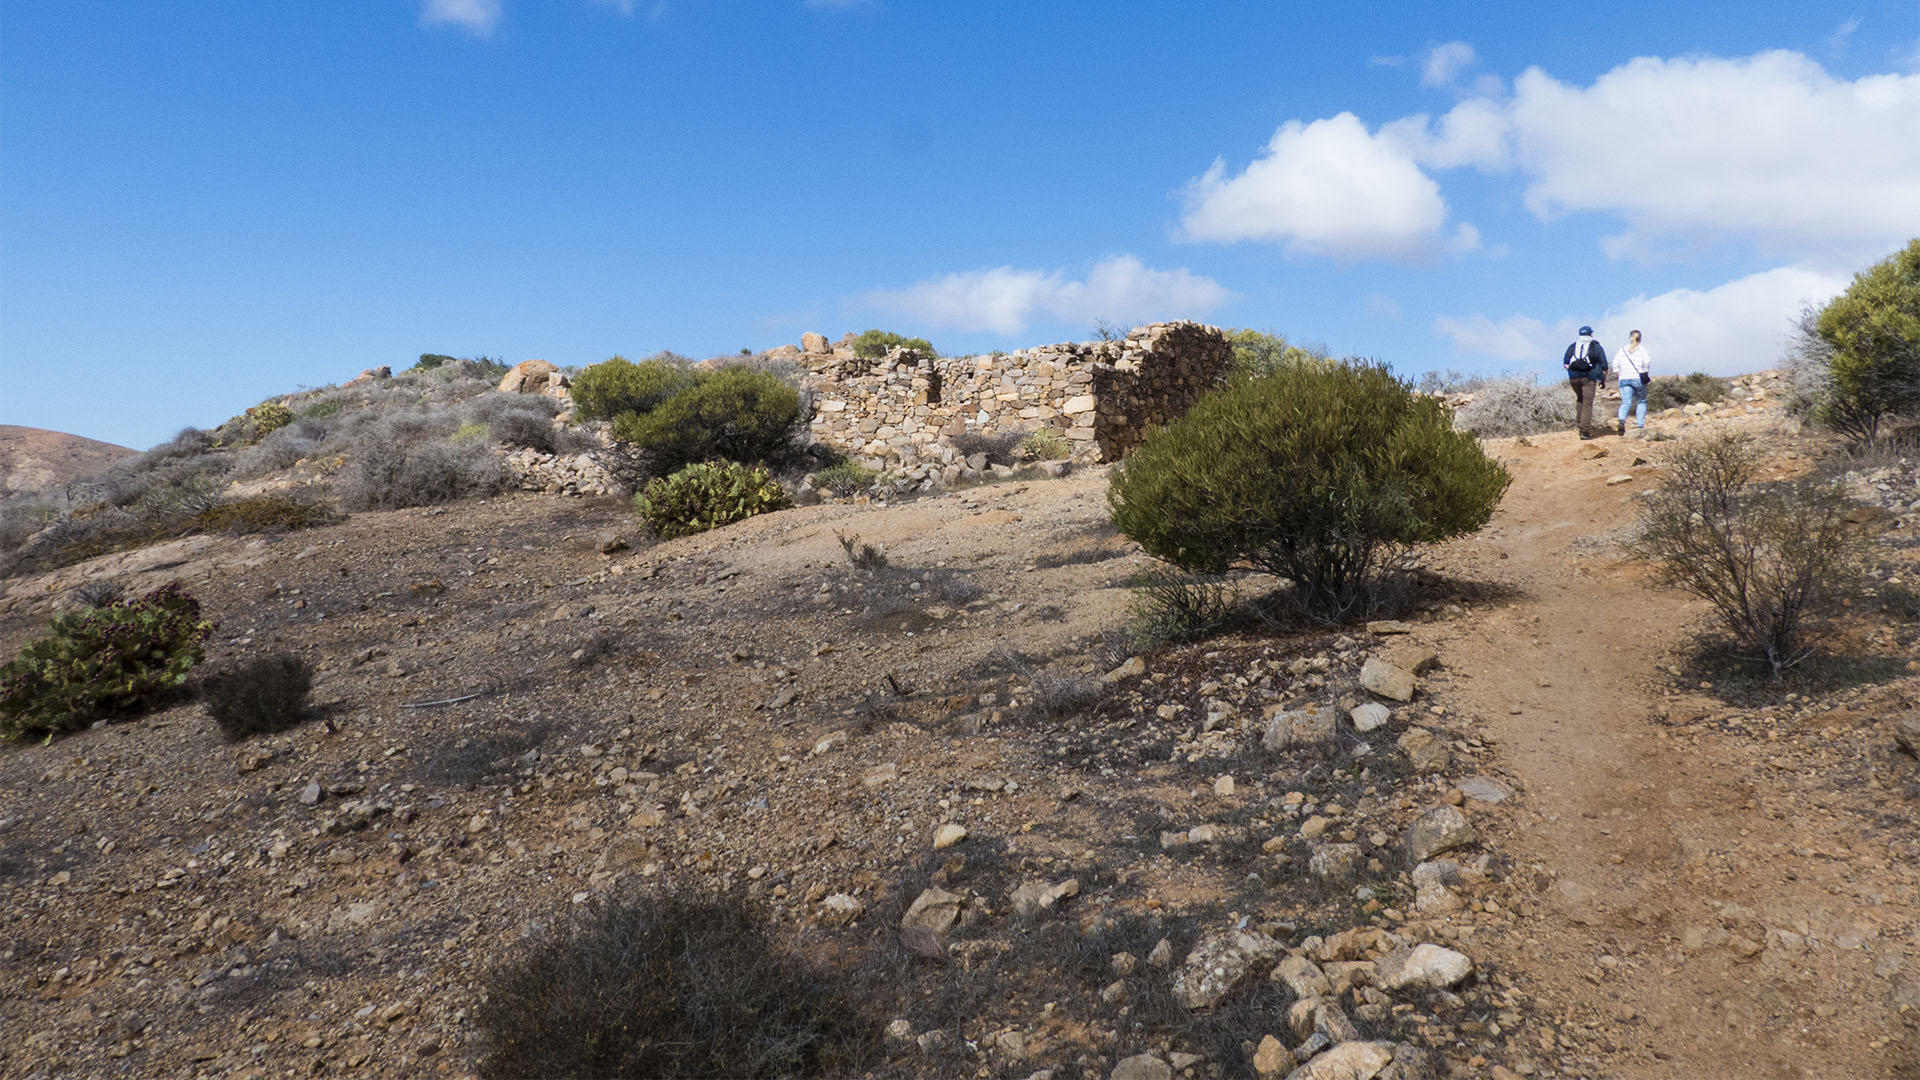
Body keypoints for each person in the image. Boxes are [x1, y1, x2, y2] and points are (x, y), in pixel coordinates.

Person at [1562, 325, 1608, 439]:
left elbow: (1565, 362)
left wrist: (1573, 371)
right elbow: (1604, 364)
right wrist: (1603, 377)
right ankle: (1584, 431)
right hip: (1588, 378)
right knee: (1587, 404)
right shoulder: (1595, 346)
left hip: (1574, 378)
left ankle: (1580, 425)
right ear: (1591, 334)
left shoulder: (1573, 346)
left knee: (1580, 400)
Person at [1614, 329, 1651, 435]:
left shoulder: (1622, 350)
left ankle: (1621, 420)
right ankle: (1639, 424)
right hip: (1638, 378)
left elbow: (1615, 364)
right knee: (1641, 401)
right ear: (1640, 338)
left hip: (1624, 378)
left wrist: (1619, 374)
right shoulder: (1643, 350)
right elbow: (1647, 362)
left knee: (1626, 402)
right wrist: (1644, 371)